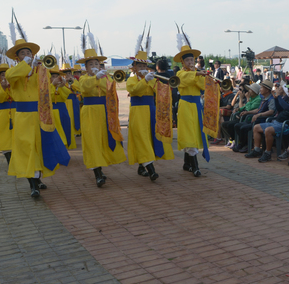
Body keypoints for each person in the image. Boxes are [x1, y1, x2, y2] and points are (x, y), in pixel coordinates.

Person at [6, 37, 70, 197]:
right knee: (27, 148)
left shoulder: (42, 71)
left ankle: (38, 177)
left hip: (41, 114)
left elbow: (47, 89)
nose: (27, 55)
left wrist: (56, 84)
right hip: (23, 117)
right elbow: (11, 77)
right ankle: (32, 184)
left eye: (29, 52)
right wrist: (25, 65)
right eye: (23, 53)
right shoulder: (12, 72)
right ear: (17, 57)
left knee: (40, 146)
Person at [77, 35, 127, 186]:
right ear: (86, 67)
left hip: (105, 111)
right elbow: (84, 89)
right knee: (92, 141)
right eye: (91, 64)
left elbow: (111, 91)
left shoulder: (106, 78)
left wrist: (102, 78)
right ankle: (97, 173)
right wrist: (95, 78)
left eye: (96, 63)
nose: (94, 66)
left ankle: (102, 166)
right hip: (90, 112)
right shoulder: (83, 78)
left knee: (104, 139)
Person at [127, 44, 175, 181]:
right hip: (138, 111)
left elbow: (159, 91)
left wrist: (158, 81)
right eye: (139, 66)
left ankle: (142, 166)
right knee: (141, 137)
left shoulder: (151, 78)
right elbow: (134, 91)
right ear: (134, 68)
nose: (142, 69)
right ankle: (151, 170)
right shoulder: (131, 79)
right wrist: (144, 81)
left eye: (144, 67)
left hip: (151, 111)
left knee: (149, 137)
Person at [175, 34, 212, 177]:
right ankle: (195, 167)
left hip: (196, 106)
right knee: (189, 134)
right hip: (185, 105)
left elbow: (202, 86)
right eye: (188, 60)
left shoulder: (196, 73)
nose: (191, 62)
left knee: (195, 134)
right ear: (183, 62)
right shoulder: (180, 73)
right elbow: (183, 80)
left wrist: (199, 75)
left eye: (192, 59)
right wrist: (195, 75)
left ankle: (186, 163)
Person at [247, 81, 289, 162]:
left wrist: (279, 97)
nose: (288, 90)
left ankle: (267, 153)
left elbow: (287, 108)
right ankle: (257, 150)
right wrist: (276, 99)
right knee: (256, 127)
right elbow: (280, 109)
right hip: (277, 123)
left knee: (268, 130)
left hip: (287, 126)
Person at [0, 64, 15, 165]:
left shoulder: (16, 86)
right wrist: (4, 89)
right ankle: (9, 159)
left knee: (16, 136)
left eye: (7, 74)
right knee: (4, 137)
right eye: (2, 75)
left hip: (15, 113)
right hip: (2, 115)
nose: (4, 77)